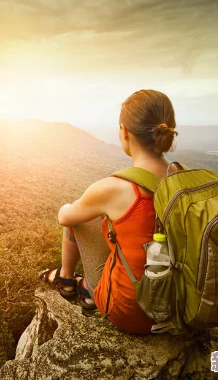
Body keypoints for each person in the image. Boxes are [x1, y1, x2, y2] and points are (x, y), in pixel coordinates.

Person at [39, 89, 179, 334]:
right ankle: (82, 288)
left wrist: (67, 207)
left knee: (77, 217)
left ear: (124, 132)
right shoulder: (182, 176)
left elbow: (65, 218)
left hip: (132, 313)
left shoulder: (114, 188)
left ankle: (68, 282)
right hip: (176, 305)